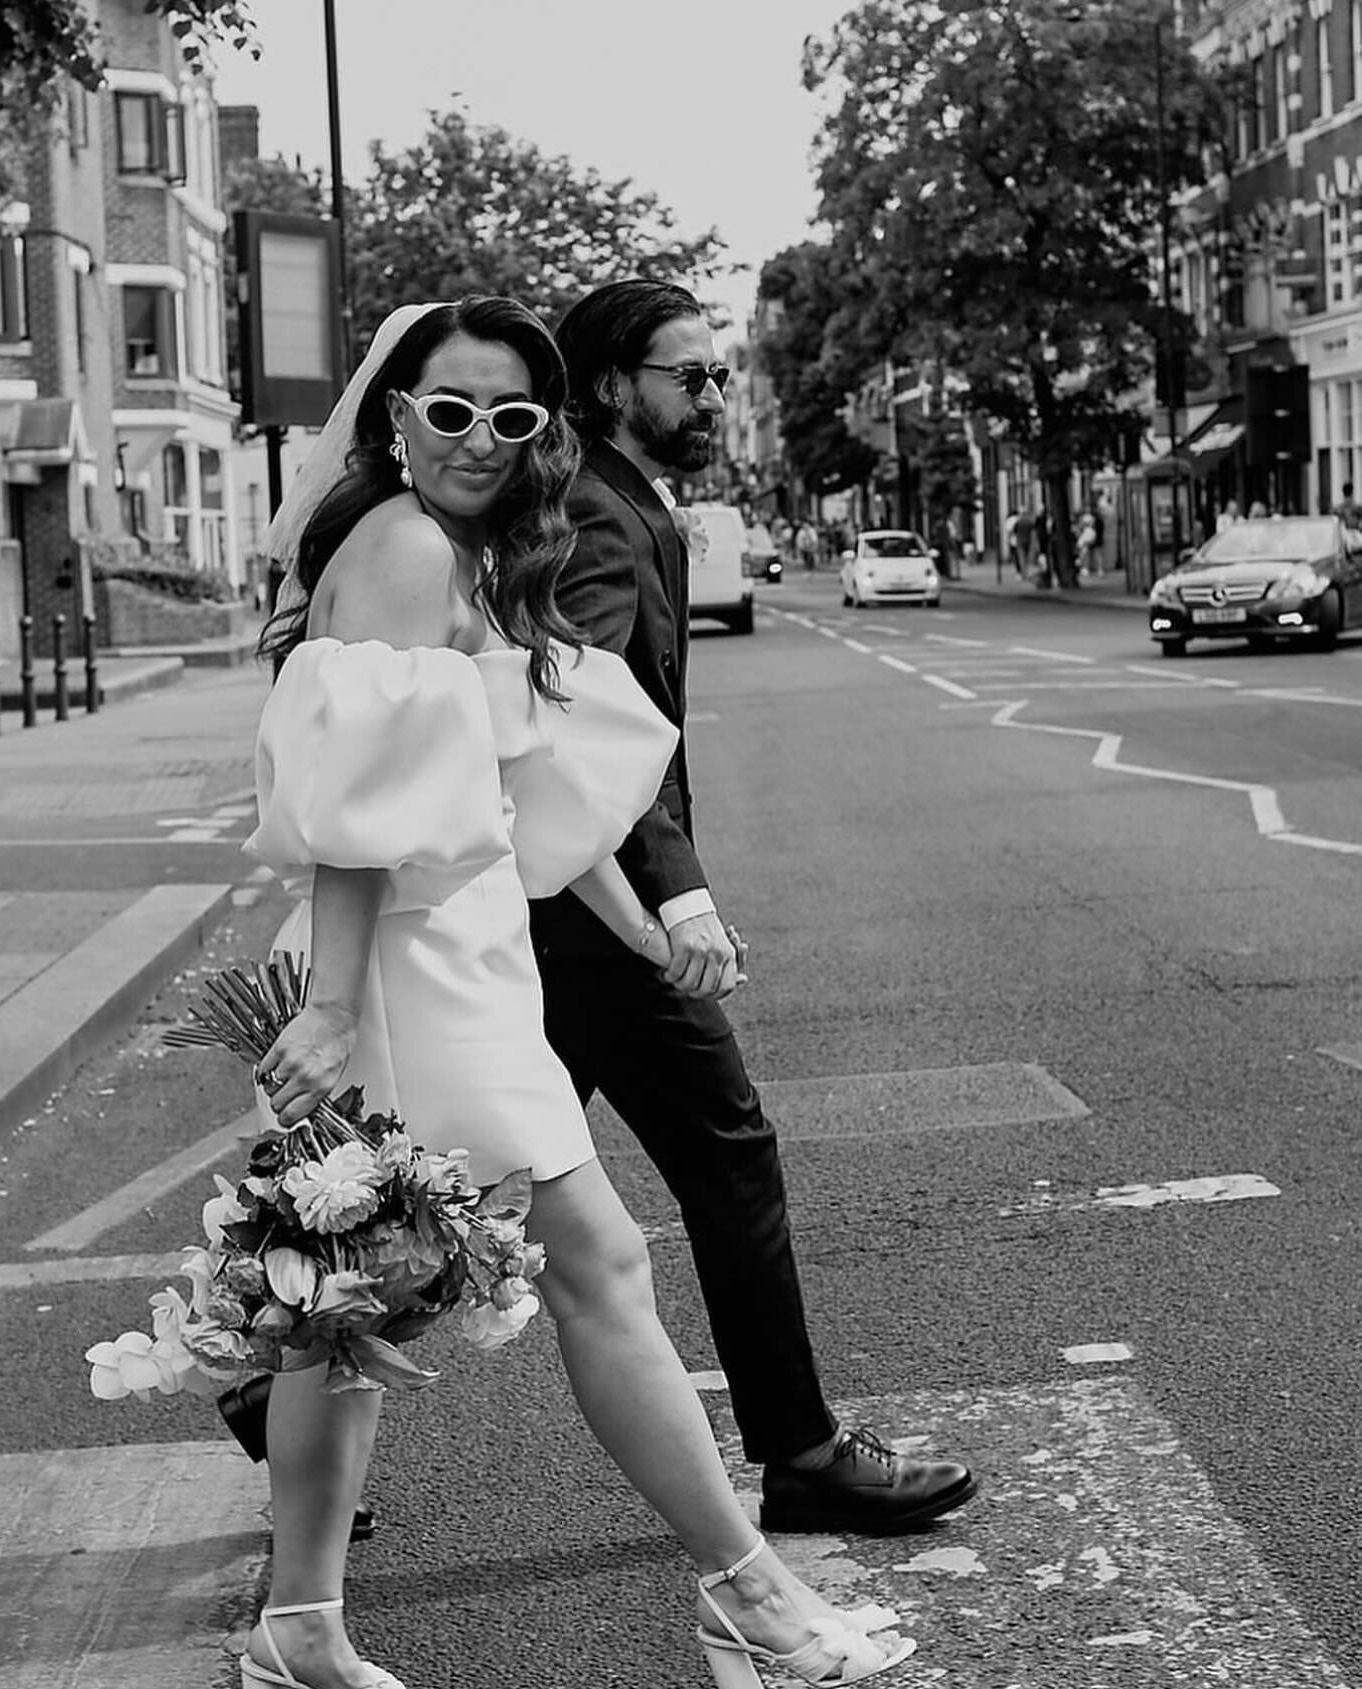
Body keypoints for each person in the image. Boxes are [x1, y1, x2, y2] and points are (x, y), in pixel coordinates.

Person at [238, 297, 915, 1689]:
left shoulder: (459, 552)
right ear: (390, 415)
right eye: (446, 411)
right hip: (424, 973)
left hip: (468, 945)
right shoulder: (405, 548)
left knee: (345, 1309)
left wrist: (640, 919)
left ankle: (300, 1625)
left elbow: (517, 781)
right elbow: (364, 815)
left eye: (512, 417)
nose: (478, 441)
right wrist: (331, 1004)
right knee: (595, 1272)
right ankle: (753, 1591)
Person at [532, 279, 977, 1547]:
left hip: (560, 907)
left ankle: (287, 1377)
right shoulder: (602, 519)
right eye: (690, 375)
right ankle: (801, 1454)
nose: (714, 395)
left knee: (466, 1175)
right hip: (593, 918)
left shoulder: (609, 501)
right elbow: (600, 735)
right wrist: (678, 897)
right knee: (728, 1158)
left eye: (720, 374)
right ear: (614, 384)